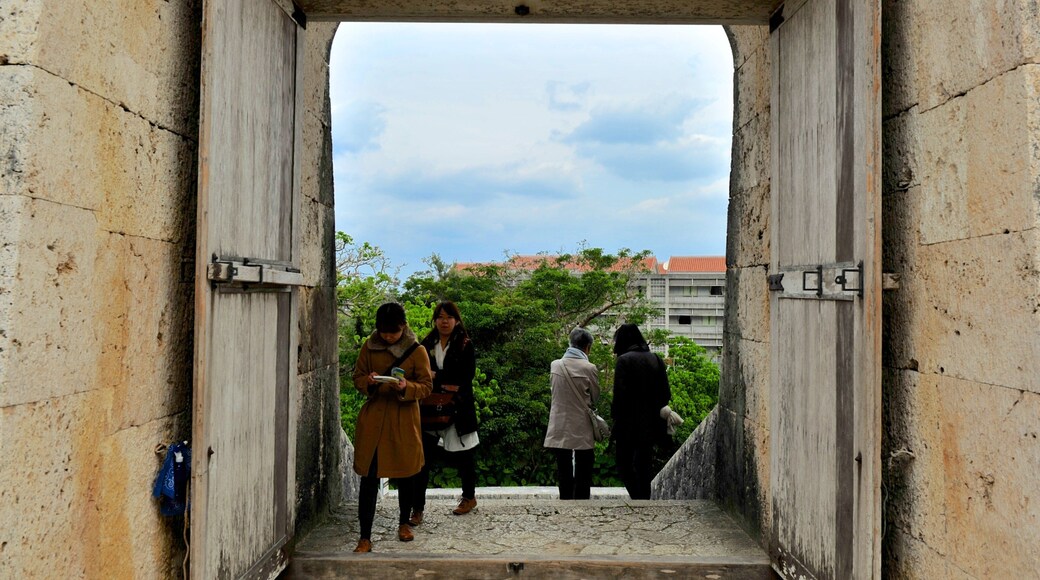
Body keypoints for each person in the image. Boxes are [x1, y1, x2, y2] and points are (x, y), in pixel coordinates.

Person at [351, 302, 433, 553]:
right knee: (369, 478)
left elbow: (426, 386)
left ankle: (403, 524)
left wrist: (406, 387)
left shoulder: (416, 350)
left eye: (393, 332)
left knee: (407, 474)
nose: (388, 336)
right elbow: (357, 378)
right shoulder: (369, 346)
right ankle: (365, 535)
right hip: (375, 419)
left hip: (403, 419)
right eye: (384, 331)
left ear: (403, 327)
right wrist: (370, 382)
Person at [411, 301, 479, 524]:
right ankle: (417, 508)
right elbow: (418, 370)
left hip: (458, 408)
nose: (444, 321)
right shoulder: (426, 342)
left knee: (465, 456)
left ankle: (469, 497)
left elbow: (466, 375)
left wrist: (436, 377)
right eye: (440, 317)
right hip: (429, 407)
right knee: (423, 460)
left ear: (456, 320)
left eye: (448, 317)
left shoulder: (464, 343)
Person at [610, 323, 671, 500]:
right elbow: (665, 394)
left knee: (623, 464)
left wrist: (616, 420)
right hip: (651, 423)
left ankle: (637, 497)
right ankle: (643, 499)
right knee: (644, 463)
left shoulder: (624, 361)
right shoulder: (656, 359)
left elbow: (619, 395)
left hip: (628, 423)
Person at [544, 327, 601, 500]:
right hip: (582, 424)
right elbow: (595, 397)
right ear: (587, 347)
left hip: (559, 422)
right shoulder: (589, 368)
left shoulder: (556, 365)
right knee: (584, 463)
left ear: (570, 343)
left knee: (563, 464)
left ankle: (566, 499)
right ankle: (582, 499)